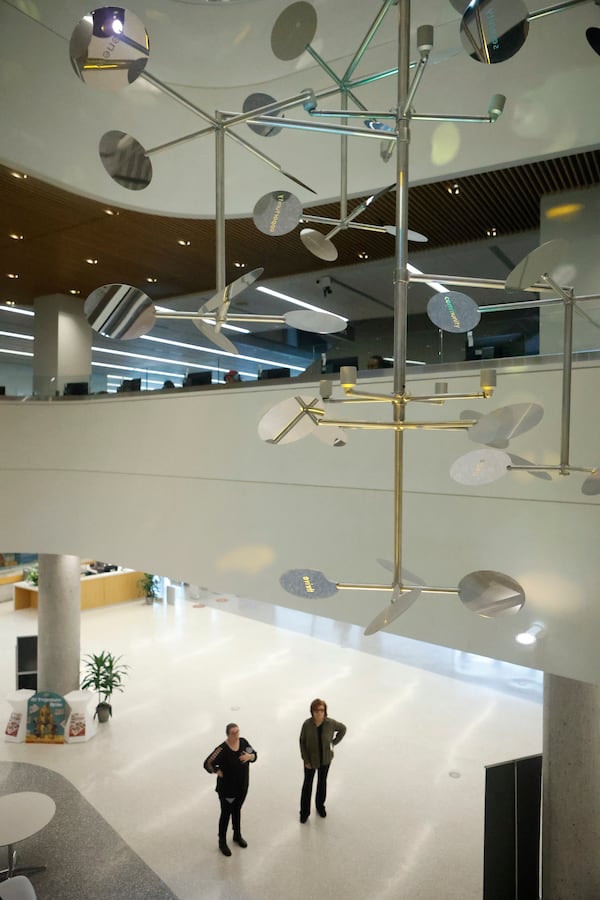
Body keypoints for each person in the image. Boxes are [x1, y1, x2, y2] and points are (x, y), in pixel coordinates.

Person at [204, 723, 257, 856]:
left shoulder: (244, 742)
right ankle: (222, 841)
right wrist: (216, 770)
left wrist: (250, 757)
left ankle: (237, 834)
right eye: (233, 733)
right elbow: (207, 763)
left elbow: (254, 754)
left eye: (237, 732)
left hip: (242, 787)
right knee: (226, 813)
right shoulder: (222, 749)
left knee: (237, 810)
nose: (236, 735)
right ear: (228, 734)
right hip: (227, 790)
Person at [299, 698, 346, 823]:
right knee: (307, 785)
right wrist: (306, 760)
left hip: (325, 760)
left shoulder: (330, 723)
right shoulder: (307, 725)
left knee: (322, 782)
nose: (319, 713)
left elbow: (343, 729)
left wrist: (333, 743)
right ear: (312, 711)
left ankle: (320, 806)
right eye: (316, 710)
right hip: (310, 761)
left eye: (322, 710)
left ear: (325, 711)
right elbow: (302, 742)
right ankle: (304, 812)